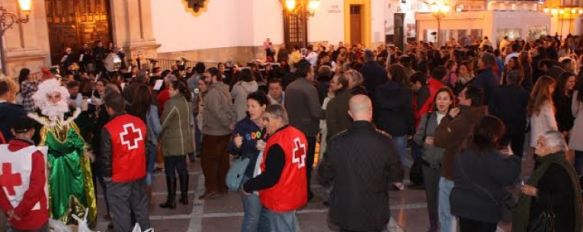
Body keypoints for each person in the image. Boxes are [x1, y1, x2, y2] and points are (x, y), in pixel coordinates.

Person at [318, 94, 403, 232]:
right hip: (375, 210)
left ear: (350, 114)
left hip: (345, 209)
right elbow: (397, 174)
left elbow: (324, 175)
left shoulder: (337, 141)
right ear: (371, 111)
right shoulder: (385, 141)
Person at [28, 79, 97, 226]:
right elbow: (36, 147)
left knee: (78, 194)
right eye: (50, 97)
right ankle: (59, 224)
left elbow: (83, 134)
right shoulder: (38, 120)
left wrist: (85, 150)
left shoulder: (71, 114)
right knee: (59, 197)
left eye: (57, 96)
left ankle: (80, 222)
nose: (54, 101)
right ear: (43, 99)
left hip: (73, 165)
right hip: (54, 167)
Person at [241, 104, 307, 232]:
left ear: (279, 119)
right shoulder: (299, 134)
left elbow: (270, 177)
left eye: (267, 119)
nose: (264, 123)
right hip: (295, 192)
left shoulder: (277, 142)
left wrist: (247, 185)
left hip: (280, 198)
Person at [450, 116, 520, 232]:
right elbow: (507, 177)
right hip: (484, 208)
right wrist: (513, 158)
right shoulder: (490, 154)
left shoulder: (463, 149)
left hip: (463, 205)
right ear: (494, 135)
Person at [434, 85, 487, 232]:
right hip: (475, 174)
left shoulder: (463, 120)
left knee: (446, 214)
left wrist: (447, 119)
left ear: (469, 101)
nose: (458, 97)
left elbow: (440, 140)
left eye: (462, 95)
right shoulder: (484, 117)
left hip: (452, 173)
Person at [100, 92, 151, 232]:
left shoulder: (108, 129)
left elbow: (106, 158)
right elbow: (146, 148)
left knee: (120, 213)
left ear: (109, 109)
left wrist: (107, 177)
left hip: (118, 178)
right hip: (139, 174)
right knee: (141, 209)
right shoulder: (139, 122)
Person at [513, 131, 582, 232]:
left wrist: (535, 192)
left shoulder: (557, 169)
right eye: (537, 142)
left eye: (541, 144)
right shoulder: (545, 162)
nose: (536, 146)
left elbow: (562, 199)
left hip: (555, 224)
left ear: (553, 149)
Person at [414, 87, 455, 232]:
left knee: (446, 200)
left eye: (445, 98)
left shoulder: (455, 119)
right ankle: (434, 225)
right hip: (429, 165)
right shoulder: (428, 117)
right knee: (431, 199)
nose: (441, 102)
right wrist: (425, 140)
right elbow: (417, 139)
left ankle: (446, 226)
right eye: (439, 98)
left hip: (446, 167)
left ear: (451, 101)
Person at [227, 91, 270, 232]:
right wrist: (237, 145)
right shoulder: (242, 125)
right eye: (248, 106)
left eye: (253, 106)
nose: (249, 109)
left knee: (266, 216)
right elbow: (232, 150)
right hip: (249, 175)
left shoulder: (271, 123)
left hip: (268, 176)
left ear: (263, 106)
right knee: (252, 217)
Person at [0, 116, 48, 232]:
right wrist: (19, 212)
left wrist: (9, 209)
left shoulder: (1, 152)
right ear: (32, 132)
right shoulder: (35, 155)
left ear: (12, 131)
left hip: (11, 214)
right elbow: (36, 188)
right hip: (34, 215)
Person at [284, 59, 322, 200]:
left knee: (295, 162)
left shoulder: (289, 87)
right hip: (307, 130)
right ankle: (305, 191)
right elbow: (316, 112)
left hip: (292, 128)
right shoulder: (310, 88)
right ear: (307, 72)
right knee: (306, 163)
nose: (313, 74)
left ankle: (294, 188)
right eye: (312, 71)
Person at [374, 64, 415, 190]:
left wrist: (376, 123)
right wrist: (410, 128)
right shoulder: (406, 91)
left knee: (383, 154)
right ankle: (398, 180)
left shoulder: (380, 89)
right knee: (400, 155)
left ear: (389, 74)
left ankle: (384, 178)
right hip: (400, 125)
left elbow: (377, 108)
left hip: (383, 124)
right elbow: (409, 111)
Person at [201, 67, 235, 199]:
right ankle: (222, 186)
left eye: (207, 77)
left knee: (208, 162)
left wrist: (228, 123)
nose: (205, 79)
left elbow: (217, 112)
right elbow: (230, 108)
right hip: (224, 131)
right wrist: (231, 122)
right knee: (223, 161)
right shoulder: (225, 89)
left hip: (214, 131)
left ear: (214, 77)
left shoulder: (213, 93)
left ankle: (212, 188)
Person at [159, 80, 194, 208]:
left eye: (171, 89)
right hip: (184, 140)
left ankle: (171, 200)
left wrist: (158, 133)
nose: (169, 91)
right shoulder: (186, 102)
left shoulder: (171, 103)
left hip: (172, 141)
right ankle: (184, 197)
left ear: (177, 90)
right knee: (182, 169)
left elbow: (163, 122)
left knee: (170, 171)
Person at [128, 84, 162, 205]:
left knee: (137, 170)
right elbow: (157, 128)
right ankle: (147, 196)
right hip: (149, 143)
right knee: (148, 171)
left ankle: (138, 195)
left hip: (135, 144)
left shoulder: (131, 109)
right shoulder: (151, 109)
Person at [489, 70, 529, 157]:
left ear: (507, 79)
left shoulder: (498, 91)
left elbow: (491, 108)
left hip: (501, 124)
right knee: (518, 151)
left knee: (499, 150)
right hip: (518, 125)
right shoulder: (524, 93)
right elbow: (527, 110)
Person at [528, 76, 558, 157]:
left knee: (537, 162)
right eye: (552, 87)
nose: (553, 89)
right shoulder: (546, 102)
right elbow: (551, 122)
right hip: (545, 139)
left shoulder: (534, 101)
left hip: (536, 137)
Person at [0, 77, 26, 143]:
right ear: (8, 93)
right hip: (12, 150)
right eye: (15, 93)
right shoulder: (17, 111)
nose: (15, 97)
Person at [570, 80, 583, 177]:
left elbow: (574, 112)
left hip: (580, 126)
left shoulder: (577, 93)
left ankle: (577, 184)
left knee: (579, 157)